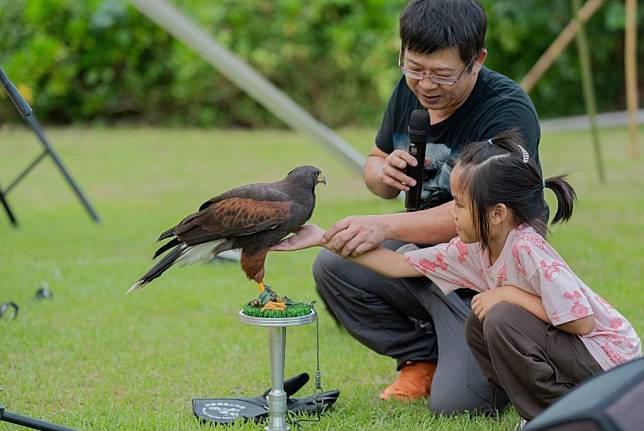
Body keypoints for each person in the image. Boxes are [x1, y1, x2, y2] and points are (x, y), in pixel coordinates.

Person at [273, 129, 642, 421]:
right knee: (479, 323)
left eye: (460, 205)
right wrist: (322, 238)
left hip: (609, 366)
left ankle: (561, 413)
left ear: (496, 214)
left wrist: (509, 295)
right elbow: (399, 265)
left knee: (499, 316)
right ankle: (537, 407)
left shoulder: (529, 249)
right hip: (576, 352)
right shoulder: (473, 248)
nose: (452, 214)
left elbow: (581, 322)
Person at [312, 0, 540, 414]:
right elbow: (375, 159)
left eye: (441, 74)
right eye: (413, 67)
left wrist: (387, 228)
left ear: (477, 60)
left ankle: (493, 354)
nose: (425, 84)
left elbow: (488, 215)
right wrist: (382, 174)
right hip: (426, 259)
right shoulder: (409, 89)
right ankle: (424, 357)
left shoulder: (507, 111)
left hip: (483, 273)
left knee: (458, 407)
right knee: (335, 265)